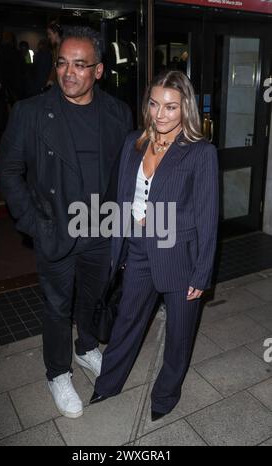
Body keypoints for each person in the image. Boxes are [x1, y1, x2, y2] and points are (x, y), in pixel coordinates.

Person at [0, 26, 133, 419]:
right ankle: (57, 373)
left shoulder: (117, 113)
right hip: (55, 229)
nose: (68, 73)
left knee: (91, 298)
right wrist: (34, 223)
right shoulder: (30, 113)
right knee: (58, 307)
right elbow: (9, 171)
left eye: (80, 65)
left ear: (99, 70)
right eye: (62, 63)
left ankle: (87, 345)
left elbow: (125, 171)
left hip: (101, 231)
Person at [90, 70, 219, 421]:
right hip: (138, 249)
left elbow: (208, 218)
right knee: (127, 320)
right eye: (154, 104)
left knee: (178, 334)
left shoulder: (200, 153)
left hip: (180, 256)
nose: (160, 114)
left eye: (171, 107)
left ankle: (166, 394)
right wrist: (120, 246)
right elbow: (122, 200)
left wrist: (202, 271)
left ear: (185, 109)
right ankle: (108, 382)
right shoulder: (134, 142)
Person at [46, 21, 63, 88]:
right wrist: (50, 80)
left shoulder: (65, 47)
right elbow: (55, 65)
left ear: (56, 33)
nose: (48, 37)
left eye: (50, 34)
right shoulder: (55, 48)